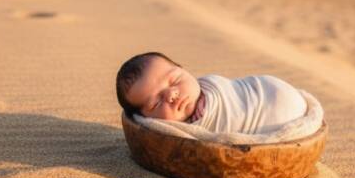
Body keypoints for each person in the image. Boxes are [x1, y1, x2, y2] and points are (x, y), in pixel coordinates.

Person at [115, 51, 307, 134]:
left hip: (266, 93)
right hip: (274, 111)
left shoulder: (210, 86)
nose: (171, 95)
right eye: (156, 103)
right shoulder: (169, 131)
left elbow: (225, 95)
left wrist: (207, 106)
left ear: (185, 70)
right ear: (145, 119)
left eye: (175, 80)